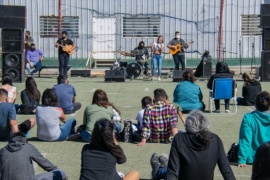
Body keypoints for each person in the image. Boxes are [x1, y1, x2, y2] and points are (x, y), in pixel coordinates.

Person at [150, 110, 236, 180]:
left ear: (187, 125)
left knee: (166, 171)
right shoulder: (215, 139)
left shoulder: (179, 139)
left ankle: (158, 170)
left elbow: (172, 172)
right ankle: (162, 167)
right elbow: (226, 171)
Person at [0, 132, 67, 180]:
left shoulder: (2, 151)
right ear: (25, 140)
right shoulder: (28, 147)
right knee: (61, 172)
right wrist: (56, 171)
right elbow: (46, 164)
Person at [238, 91, 270, 167]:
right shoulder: (249, 118)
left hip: (254, 157)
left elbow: (245, 139)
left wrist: (242, 159)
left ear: (255, 104)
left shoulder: (248, 118)